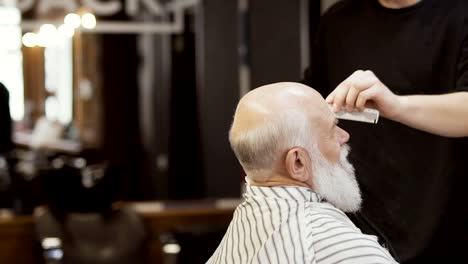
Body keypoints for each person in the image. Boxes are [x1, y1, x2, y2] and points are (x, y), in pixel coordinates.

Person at [303, 0, 468, 262]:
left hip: (444, 225)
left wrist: (396, 106)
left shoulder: (459, 14)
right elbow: (314, 104)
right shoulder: (338, 21)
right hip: (357, 233)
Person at [207, 82, 398, 264]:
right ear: (297, 162)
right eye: (332, 129)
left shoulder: (243, 229)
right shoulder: (340, 249)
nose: (344, 136)